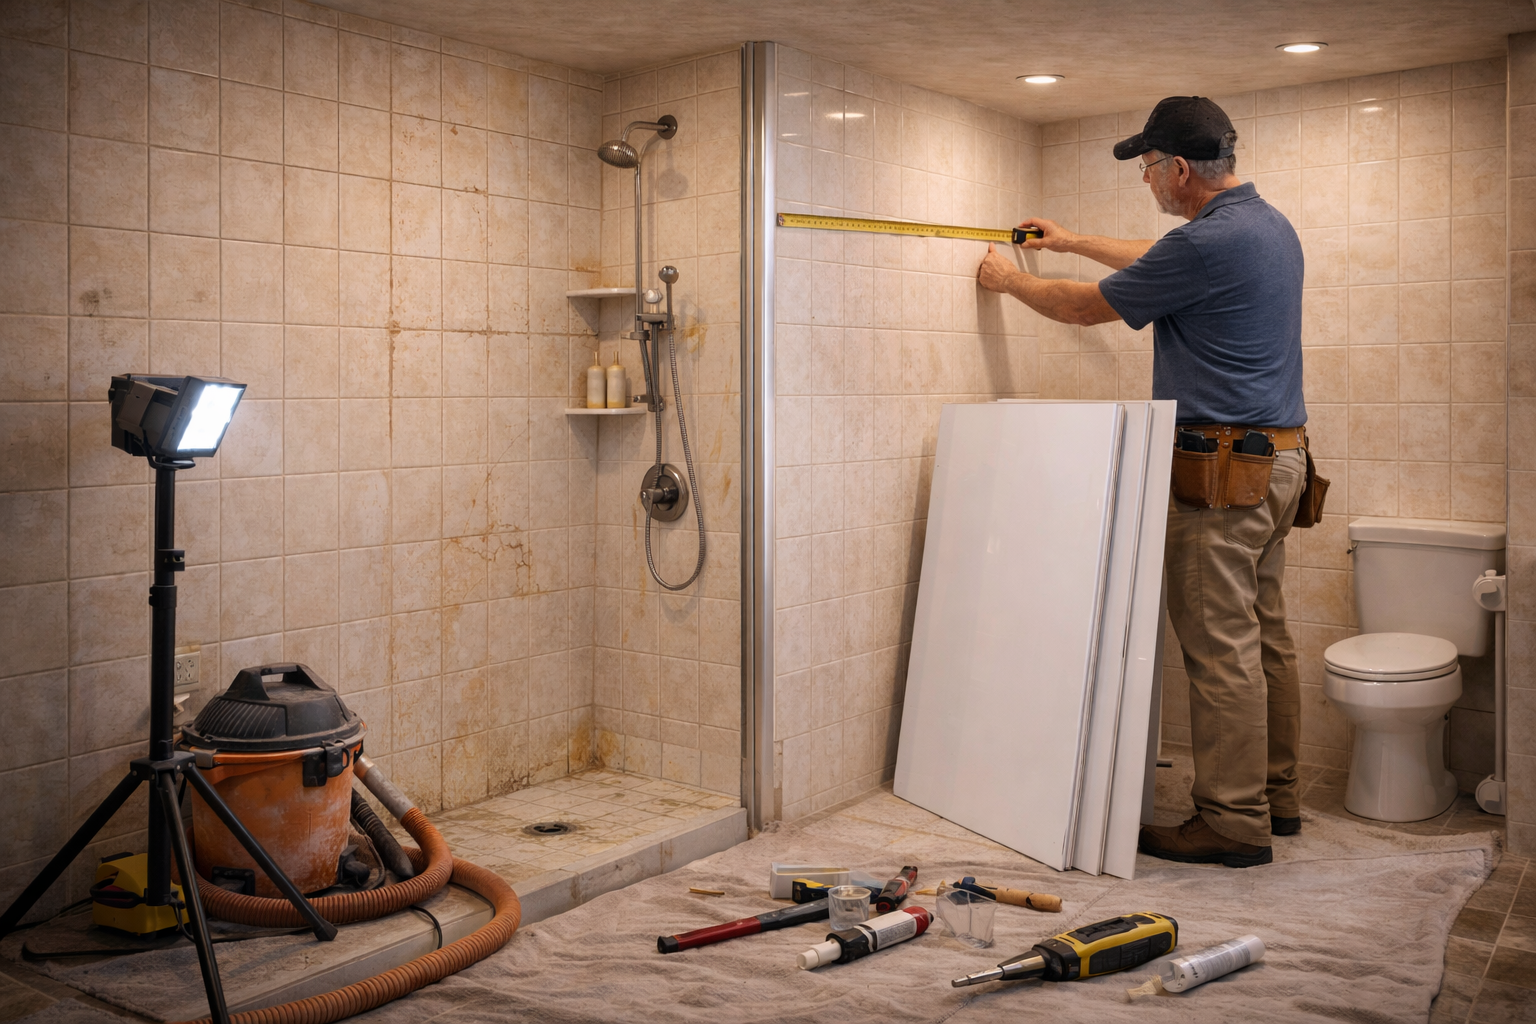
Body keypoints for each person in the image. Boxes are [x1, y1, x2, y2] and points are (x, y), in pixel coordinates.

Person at [976, 96, 1307, 868]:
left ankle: (1230, 822)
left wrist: (1009, 280)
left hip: (1219, 475)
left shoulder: (1204, 247)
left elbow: (1089, 310)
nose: (1147, 180)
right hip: (1280, 462)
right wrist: (1071, 241)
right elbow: (1155, 258)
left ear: (1182, 169)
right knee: (1266, 641)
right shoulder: (1264, 227)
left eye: (1150, 167)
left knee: (1221, 648)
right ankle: (1276, 798)